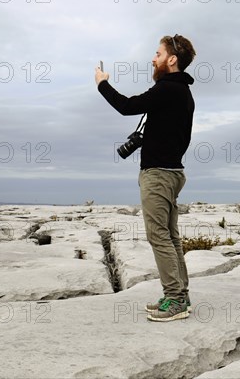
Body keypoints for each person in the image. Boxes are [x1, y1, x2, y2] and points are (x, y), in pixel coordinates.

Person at [95, 35, 196, 322]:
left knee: (159, 236)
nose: (153, 58)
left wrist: (102, 83)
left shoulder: (167, 88)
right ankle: (180, 295)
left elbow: (126, 106)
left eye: (158, 53)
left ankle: (175, 300)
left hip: (159, 174)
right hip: (174, 172)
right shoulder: (183, 92)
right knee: (172, 237)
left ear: (172, 59)